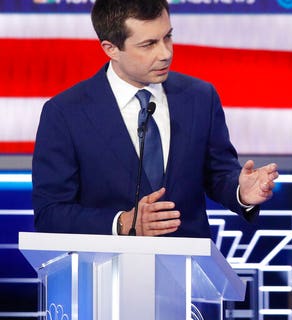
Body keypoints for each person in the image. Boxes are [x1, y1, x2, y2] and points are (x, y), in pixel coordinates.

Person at [32, 0, 279, 238]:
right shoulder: (65, 113)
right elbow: (50, 213)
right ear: (111, 49)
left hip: (186, 271)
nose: (165, 53)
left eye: (167, 37)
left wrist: (240, 191)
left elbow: (218, 174)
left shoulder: (200, 97)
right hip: (104, 271)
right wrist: (121, 223)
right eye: (149, 44)